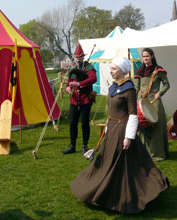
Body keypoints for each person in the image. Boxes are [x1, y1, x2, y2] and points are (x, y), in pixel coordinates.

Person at [71, 57, 169, 214]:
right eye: (110, 68)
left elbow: (132, 115)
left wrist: (128, 137)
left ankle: (125, 195)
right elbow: (112, 112)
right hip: (113, 128)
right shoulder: (113, 87)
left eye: (114, 68)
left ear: (123, 71)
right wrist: (108, 129)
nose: (111, 70)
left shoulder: (128, 89)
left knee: (120, 164)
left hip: (123, 130)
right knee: (110, 162)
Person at [134, 48, 170, 161]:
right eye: (144, 56)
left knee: (156, 127)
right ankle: (142, 152)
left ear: (152, 56)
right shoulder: (139, 71)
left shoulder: (159, 70)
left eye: (147, 56)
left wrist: (160, 93)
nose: (145, 58)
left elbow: (166, 84)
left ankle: (156, 153)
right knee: (141, 126)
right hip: (141, 101)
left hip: (155, 101)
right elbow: (136, 88)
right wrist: (134, 101)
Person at [62, 44, 97, 154]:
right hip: (74, 99)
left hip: (86, 99)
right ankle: (72, 145)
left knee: (84, 123)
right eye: (77, 57)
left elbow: (93, 79)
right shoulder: (72, 69)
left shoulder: (89, 67)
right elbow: (68, 83)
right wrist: (67, 88)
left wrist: (80, 83)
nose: (78, 59)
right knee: (72, 123)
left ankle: (84, 146)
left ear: (83, 57)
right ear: (74, 57)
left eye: (80, 57)